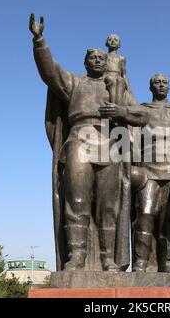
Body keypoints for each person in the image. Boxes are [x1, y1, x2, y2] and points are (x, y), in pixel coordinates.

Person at [29, 14, 149, 272]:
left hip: (110, 145)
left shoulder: (117, 88)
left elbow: (143, 115)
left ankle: (108, 259)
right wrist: (39, 40)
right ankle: (77, 257)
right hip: (80, 141)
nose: (97, 60)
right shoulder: (74, 82)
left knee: (108, 206)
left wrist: (120, 112)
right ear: (85, 62)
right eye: (92, 58)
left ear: (107, 63)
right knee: (78, 202)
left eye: (101, 58)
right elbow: (49, 71)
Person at [132, 73, 170, 272]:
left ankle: (165, 263)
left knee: (168, 223)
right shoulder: (141, 110)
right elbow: (130, 141)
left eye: (164, 82)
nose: (161, 85)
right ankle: (140, 262)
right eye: (156, 82)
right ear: (150, 87)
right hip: (147, 172)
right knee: (145, 214)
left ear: (169, 87)